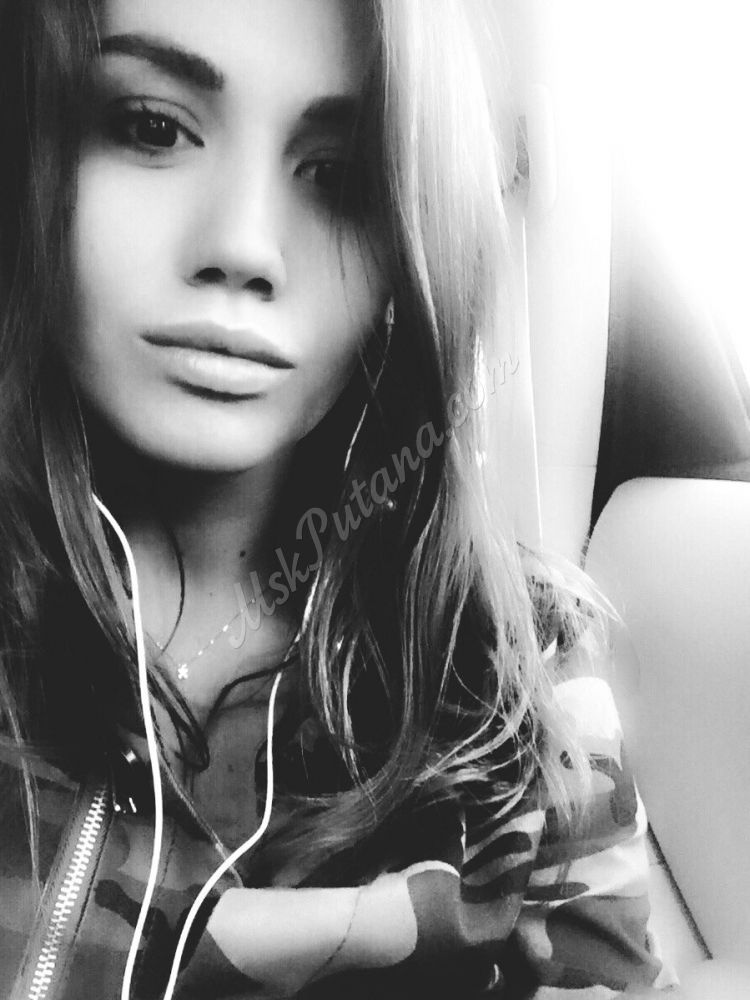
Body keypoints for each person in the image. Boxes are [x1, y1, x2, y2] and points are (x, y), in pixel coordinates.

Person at [0, 1, 666, 997]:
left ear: (412, 246)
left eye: (342, 174)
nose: (243, 247)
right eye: (151, 127)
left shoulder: (519, 688)